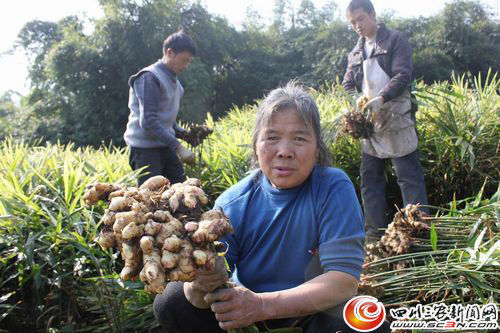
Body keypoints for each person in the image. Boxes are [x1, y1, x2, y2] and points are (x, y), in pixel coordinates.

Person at [153, 83, 390, 332]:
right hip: (245, 315)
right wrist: (200, 283)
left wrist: (263, 305)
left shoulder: (332, 187)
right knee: (172, 300)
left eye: (299, 138)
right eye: (272, 138)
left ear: (317, 147)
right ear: (256, 144)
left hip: (309, 312)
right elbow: (200, 297)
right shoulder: (232, 203)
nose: (284, 151)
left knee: (367, 324)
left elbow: (343, 283)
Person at [342, 0, 429, 240]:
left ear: (372, 15)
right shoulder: (356, 53)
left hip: (397, 118)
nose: (357, 26)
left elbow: (403, 74)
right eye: (352, 23)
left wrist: (382, 97)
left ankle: (419, 234)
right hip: (370, 127)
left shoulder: (395, 40)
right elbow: (347, 83)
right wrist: (358, 100)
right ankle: (375, 237)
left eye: (360, 19)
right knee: (370, 181)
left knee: (408, 178)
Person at [124, 30, 197, 186]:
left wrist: (184, 134)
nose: (186, 66)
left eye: (189, 61)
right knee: (149, 200)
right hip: (145, 150)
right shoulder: (149, 77)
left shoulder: (177, 85)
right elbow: (149, 121)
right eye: (184, 60)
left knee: (181, 192)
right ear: (169, 52)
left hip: (165, 146)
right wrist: (178, 147)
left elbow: (166, 121)